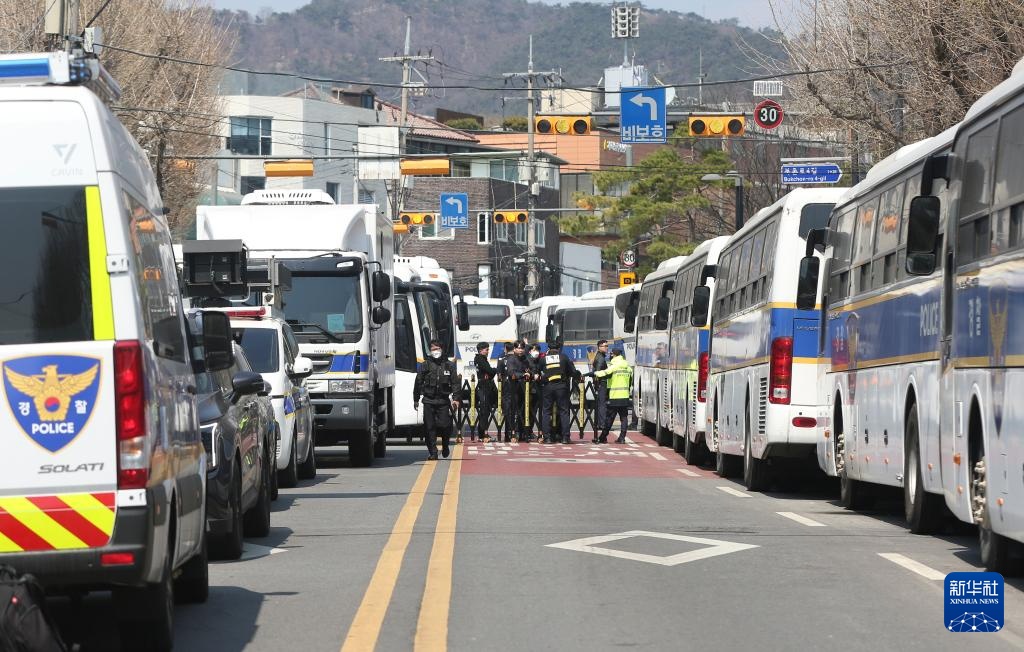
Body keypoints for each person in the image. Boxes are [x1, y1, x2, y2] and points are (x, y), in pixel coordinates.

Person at [414, 339, 460, 460]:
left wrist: (456, 398)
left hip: (443, 401)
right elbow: (418, 382)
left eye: (437, 349)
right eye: (433, 349)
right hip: (429, 400)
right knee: (429, 427)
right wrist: (416, 399)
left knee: (445, 425)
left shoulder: (449, 365)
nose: (435, 351)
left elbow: (455, 383)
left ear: (442, 349)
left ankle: (445, 444)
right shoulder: (425, 365)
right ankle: (433, 452)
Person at [541, 341, 580, 444]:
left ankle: (547, 437)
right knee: (564, 411)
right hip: (561, 387)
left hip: (548, 387)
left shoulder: (544, 358)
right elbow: (572, 371)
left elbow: (537, 371)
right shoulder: (564, 357)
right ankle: (565, 438)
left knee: (546, 412)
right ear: (559, 348)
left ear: (548, 348)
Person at [592, 348, 633, 443]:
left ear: (614, 355)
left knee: (609, 418)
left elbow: (604, 373)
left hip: (614, 396)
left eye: (611, 354)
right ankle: (622, 438)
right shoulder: (628, 367)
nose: (610, 355)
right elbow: (630, 382)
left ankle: (603, 437)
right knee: (624, 417)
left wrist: (593, 373)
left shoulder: (614, 366)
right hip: (625, 396)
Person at [500, 341, 530, 443]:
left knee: (522, 410)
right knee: (510, 411)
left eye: (522, 348)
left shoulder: (526, 359)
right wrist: (523, 375)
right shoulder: (511, 359)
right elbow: (511, 372)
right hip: (511, 388)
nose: (520, 350)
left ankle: (521, 433)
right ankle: (509, 434)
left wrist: (531, 373)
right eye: (518, 348)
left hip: (522, 388)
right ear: (514, 349)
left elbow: (532, 368)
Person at [473, 342, 498, 443]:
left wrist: (491, 372)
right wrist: (495, 370)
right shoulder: (480, 359)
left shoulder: (482, 359)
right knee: (484, 411)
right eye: (486, 349)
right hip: (483, 387)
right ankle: (483, 434)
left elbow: (490, 373)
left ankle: (481, 434)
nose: (488, 351)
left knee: (485, 411)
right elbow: (490, 371)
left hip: (487, 387)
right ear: (481, 350)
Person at [589, 339, 610, 444]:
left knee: (600, 404)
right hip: (601, 383)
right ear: (599, 347)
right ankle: (601, 423)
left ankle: (599, 422)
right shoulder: (601, 358)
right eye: (604, 346)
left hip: (600, 384)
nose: (606, 347)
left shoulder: (599, 356)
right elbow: (597, 372)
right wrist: (597, 384)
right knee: (602, 404)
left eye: (607, 346)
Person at [524, 343, 544, 441]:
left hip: (537, 389)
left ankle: (530, 431)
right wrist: (534, 374)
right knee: (527, 411)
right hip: (528, 389)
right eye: (534, 350)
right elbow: (530, 370)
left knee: (534, 411)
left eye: (537, 350)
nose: (536, 352)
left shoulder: (539, 360)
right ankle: (525, 431)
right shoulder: (527, 359)